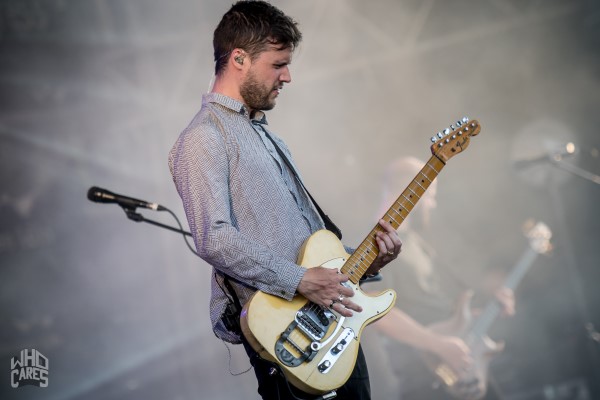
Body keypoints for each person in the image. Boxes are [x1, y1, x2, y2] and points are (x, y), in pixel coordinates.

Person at [168, 2, 402, 399]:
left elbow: (307, 249)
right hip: (289, 340)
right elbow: (214, 238)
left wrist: (367, 262)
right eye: (278, 64)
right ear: (239, 59)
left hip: (332, 327)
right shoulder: (203, 138)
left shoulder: (267, 135)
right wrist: (300, 280)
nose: (287, 76)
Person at [362, 156, 515, 400]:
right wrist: (439, 345)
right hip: (424, 373)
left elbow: (431, 309)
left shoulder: (413, 242)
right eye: (431, 195)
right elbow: (375, 310)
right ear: (414, 190)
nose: (432, 204)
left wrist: (485, 310)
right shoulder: (378, 242)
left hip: (452, 364)